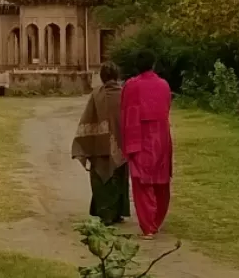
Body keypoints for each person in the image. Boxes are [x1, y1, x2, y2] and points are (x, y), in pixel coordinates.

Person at [121, 50, 173, 237]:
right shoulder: (164, 85)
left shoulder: (131, 86)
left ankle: (148, 226)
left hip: (140, 136)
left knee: (142, 183)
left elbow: (126, 113)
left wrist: (125, 142)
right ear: (153, 64)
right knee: (161, 181)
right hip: (160, 137)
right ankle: (156, 221)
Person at [71, 62, 130, 224]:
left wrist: (86, 143)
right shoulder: (124, 94)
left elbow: (88, 119)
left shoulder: (96, 94)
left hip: (99, 145)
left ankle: (106, 214)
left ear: (102, 78)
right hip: (121, 145)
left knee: (102, 180)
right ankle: (118, 213)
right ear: (117, 76)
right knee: (119, 178)